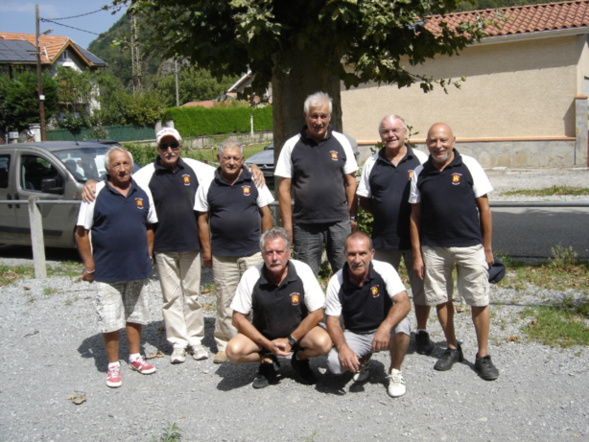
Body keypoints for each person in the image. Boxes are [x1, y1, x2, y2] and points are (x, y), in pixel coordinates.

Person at [82, 128, 265, 364]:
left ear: (180, 146)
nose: (170, 151)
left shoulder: (195, 168)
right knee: (170, 298)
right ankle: (178, 343)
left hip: (191, 245)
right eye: (164, 147)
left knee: (192, 296)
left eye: (174, 146)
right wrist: (91, 184)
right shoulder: (147, 173)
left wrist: (253, 168)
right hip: (163, 246)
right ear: (158, 149)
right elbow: (119, 179)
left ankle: (196, 340)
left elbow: (227, 167)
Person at [409, 122, 499, 381]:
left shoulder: (469, 165)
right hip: (434, 249)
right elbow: (414, 216)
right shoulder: (419, 172)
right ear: (427, 143)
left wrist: (488, 247)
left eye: (443, 140)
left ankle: (483, 355)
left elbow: (485, 209)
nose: (438, 145)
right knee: (440, 298)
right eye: (433, 141)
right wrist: (417, 254)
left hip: (470, 246)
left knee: (478, 299)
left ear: (453, 141)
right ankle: (452, 347)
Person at [76, 146, 157, 388]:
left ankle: (135, 356)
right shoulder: (95, 193)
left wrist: (148, 255)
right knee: (110, 319)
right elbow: (82, 232)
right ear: (107, 169)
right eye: (116, 165)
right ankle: (113, 364)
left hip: (137, 267)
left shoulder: (143, 192)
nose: (122, 169)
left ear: (131, 165)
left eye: (125, 164)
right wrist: (90, 266)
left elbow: (150, 226)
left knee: (136, 315)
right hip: (107, 270)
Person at [357, 115, 434, 355]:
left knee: (420, 287)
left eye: (395, 130)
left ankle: (421, 331)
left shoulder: (421, 159)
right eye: (385, 132)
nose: (391, 135)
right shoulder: (372, 162)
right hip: (384, 238)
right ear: (380, 136)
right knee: (380, 288)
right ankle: (383, 328)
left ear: (405, 133)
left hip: (416, 240)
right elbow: (364, 199)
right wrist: (384, 211)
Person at [195, 138, 274, 364]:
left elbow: (266, 215)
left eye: (236, 158)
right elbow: (202, 220)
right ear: (219, 159)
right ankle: (225, 344)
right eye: (227, 158)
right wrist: (207, 253)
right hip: (223, 255)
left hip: (253, 253)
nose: (231, 162)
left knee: (259, 299)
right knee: (225, 300)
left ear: (243, 160)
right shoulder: (207, 183)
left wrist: (266, 248)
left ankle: (261, 341)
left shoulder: (255, 180)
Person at [226, 227, 332, 389]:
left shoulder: (302, 270)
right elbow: (237, 317)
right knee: (233, 351)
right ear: (262, 254)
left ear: (289, 252)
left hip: (299, 335)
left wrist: (291, 340)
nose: (274, 257)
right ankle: (267, 361)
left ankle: (300, 358)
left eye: (279, 251)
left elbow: (317, 313)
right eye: (269, 252)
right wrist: (268, 344)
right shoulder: (251, 275)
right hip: (263, 337)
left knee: (324, 343)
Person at [275, 91, 359, 276]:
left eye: (323, 116)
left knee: (347, 274)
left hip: (339, 222)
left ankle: (344, 306)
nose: (319, 121)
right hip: (305, 224)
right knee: (306, 277)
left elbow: (351, 182)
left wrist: (352, 217)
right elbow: (283, 189)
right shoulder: (291, 145)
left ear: (330, 116)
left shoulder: (341, 142)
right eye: (314, 116)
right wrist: (288, 226)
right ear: (306, 116)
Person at [325, 232, 411, 397]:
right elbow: (332, 320)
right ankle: (363, 361)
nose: (357, 260)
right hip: (355, 332)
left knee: (403, 325)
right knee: (335, 364)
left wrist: (385, 327)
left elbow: (404, 302)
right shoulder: (336, 281)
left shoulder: (384, 270)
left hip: (382, 329)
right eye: (351, 254)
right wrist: (343, 348)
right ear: (344, 255)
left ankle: (395, 371)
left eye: (362, 253)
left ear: (371, 254)